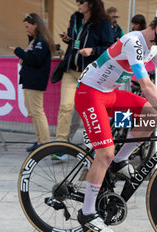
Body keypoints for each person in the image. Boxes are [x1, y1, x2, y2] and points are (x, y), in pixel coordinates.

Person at [75, 1, 157, 231]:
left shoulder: (155, 47)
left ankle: (122, 160)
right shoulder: (134, 41)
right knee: (105, 153)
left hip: (109, 94)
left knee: (150, 116)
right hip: (89, 93)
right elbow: (146, 86)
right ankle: (87, 212)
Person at [55, 0, 114, 159]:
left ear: (91, 3)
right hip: (71, 70)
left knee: (90, 111)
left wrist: (92, 50)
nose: (78, 4)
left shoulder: (103, 23)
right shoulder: (75, 17)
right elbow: (75, 40)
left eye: (81, 1)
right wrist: (68, 39)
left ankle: (96, 146)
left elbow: (110, 47)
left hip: (90, 75)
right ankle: (61, 146)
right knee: (65, 107)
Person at [8, 13, 55, 152]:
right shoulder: (36, 40)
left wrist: (18, 51)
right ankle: (40, 140)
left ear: (35, 25)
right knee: (33, 112)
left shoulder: (41, 41)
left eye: (27, 26)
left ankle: (45, 142)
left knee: (37, 112)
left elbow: (35, 59)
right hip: (30, 79)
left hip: (35, 80)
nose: (26, 29)